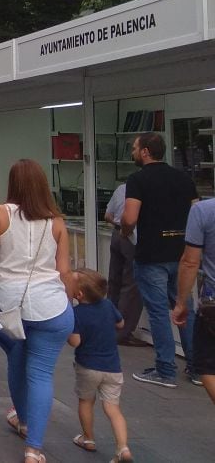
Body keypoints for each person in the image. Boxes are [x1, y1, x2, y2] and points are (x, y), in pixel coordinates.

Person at [0, 159, 73, 463]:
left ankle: (24, 420)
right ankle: (34, 448)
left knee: (17, 358)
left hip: (10, 304)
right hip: (52, 306)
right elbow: (64, 271)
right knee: (41, 373)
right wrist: (71, 305)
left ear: (12, 183)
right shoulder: (57, 221)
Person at [120, 131, 198, 387]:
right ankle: (198, 367)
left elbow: (130, 218)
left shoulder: (138, 180)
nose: (132, 152)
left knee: (158, 313)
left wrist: (125, 230)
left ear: (145, 152)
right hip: (182, 252)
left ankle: (165, 369)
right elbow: (196, 214)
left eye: (134, 148)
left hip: (151, 254)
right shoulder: (184, 179)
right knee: (184, 307)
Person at [67, 268, 132, 462]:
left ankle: (88, 438)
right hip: (112, 368)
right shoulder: (108, 305)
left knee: (86, 401)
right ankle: (123, 448)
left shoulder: (76, 313)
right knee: (113, 408)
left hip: (88, 366)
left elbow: (75, 342)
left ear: (78, 295)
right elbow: (120, 324)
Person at [173, 194, 215, 402]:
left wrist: (181, 302)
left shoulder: (203, 211)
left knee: (206, 366)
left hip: (212, 304)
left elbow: (190, 262)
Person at [102, 182, 145, 345]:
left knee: (114, 281)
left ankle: (109, 324)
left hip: (117, 235)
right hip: (132, 236)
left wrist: (119, 226)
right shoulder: (142, 189)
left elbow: (107, 216)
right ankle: (123, 332)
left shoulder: (121, 188)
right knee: (132, 285)